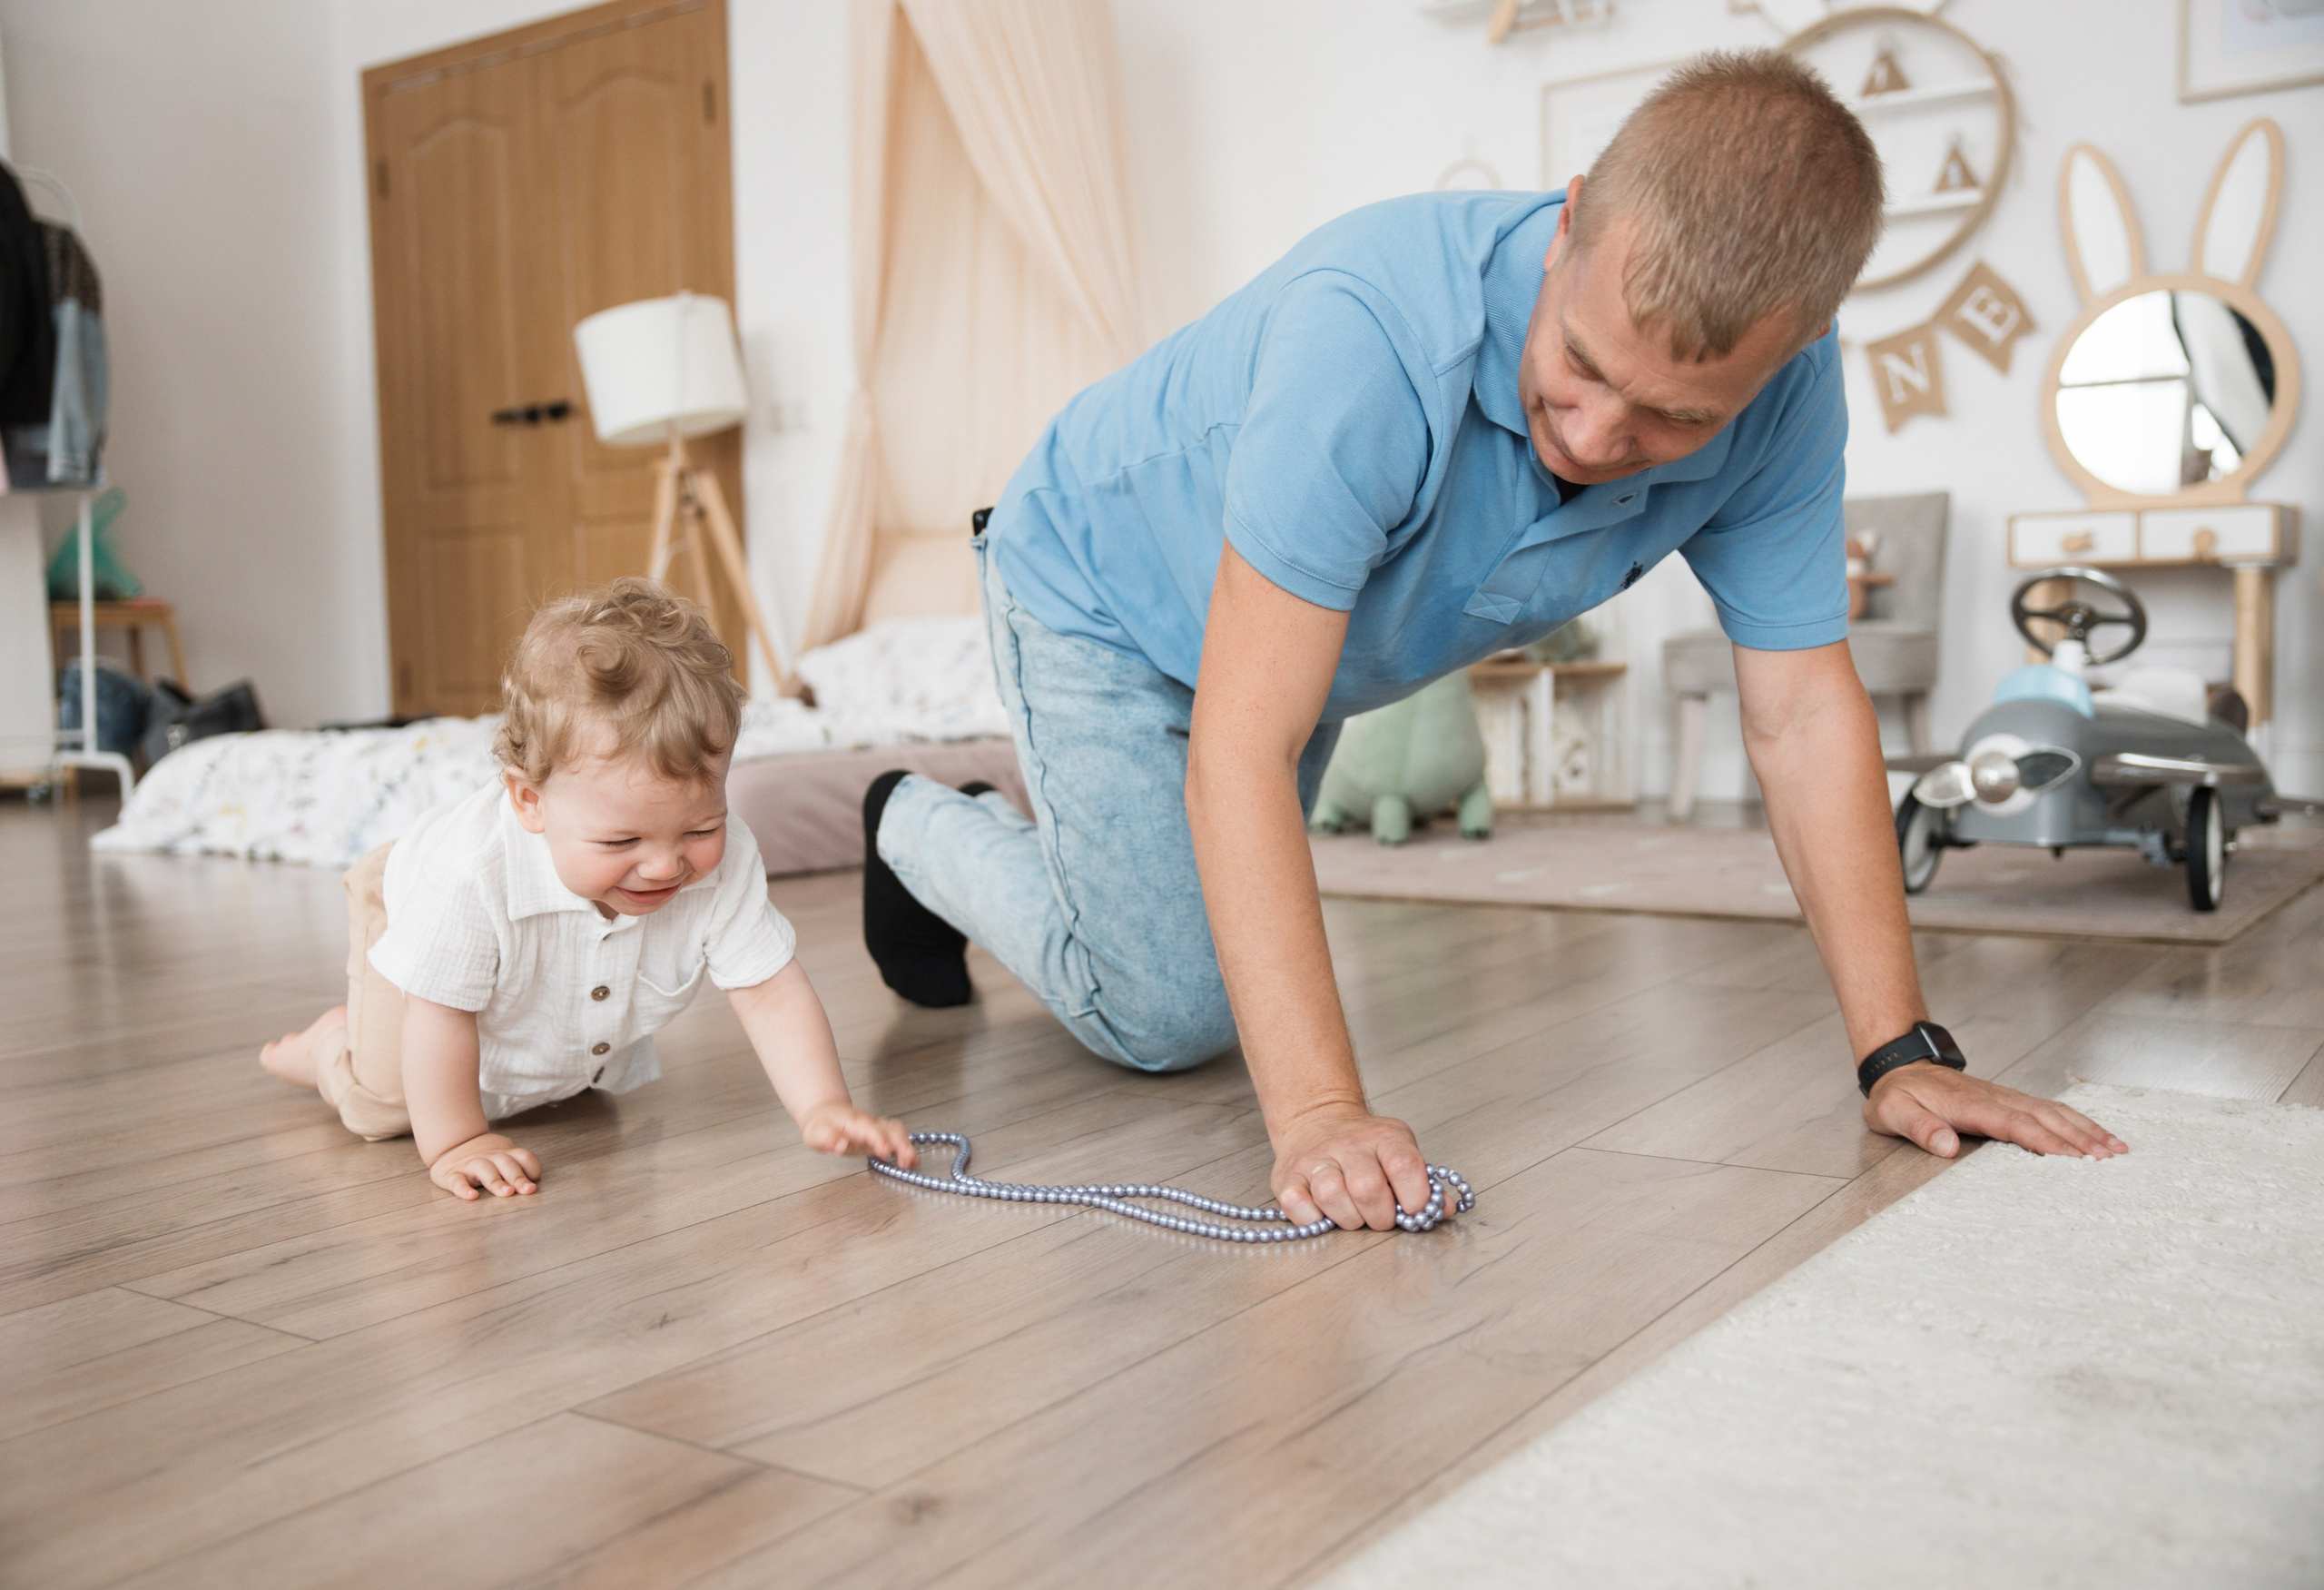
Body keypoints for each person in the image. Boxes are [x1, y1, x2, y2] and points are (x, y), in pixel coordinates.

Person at [862, 50, 2125, 1234]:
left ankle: (1026, 847)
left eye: (1670, 418)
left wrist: (1899, 1052)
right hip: (1096, 581)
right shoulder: (1371, 330)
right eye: (1577, 362)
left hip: (1305, 641)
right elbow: (1247, 739)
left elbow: (1801, 713)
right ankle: (911, 819)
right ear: (1568, 222)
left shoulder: (1791, 396)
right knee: (1166, 1013)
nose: (1591, 433)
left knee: (1205, 974)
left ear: (1784, 356)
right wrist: (1319, 1117)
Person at [261, 579, 914, 1200]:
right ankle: (328, 1044)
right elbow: (443, 1013)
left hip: (526, 976)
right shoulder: (468, 872)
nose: (665, 866)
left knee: (561, 1087)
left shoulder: (724, 856)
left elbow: (768, 990)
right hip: (411, 916)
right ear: (530, 801)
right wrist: (458, 1141)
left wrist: (823, 1103)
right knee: (385, 1102)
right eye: (621, 842)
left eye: (699, 826)